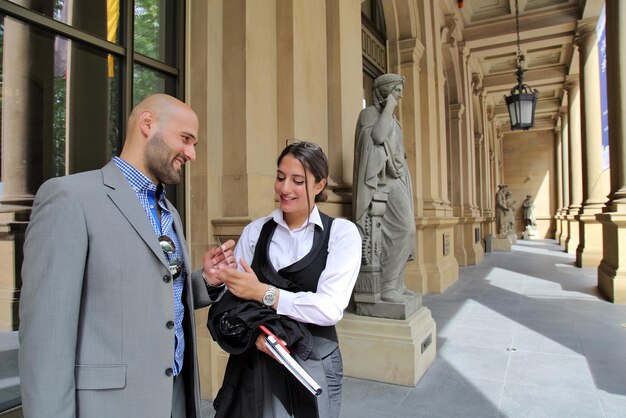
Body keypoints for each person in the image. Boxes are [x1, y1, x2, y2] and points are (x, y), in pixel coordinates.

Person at [19, 93, 236, 418]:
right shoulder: (69, 197)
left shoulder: (170, 212)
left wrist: (205, 281)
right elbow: (46, 340)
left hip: (176, 398)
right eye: (186, 139)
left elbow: (155, 293)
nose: (191, 153)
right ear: (148, 124)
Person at [207, 140, 362, 418]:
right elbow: (234, 303)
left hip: (314, 361)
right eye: (280, 177)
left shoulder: (341, 234)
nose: (285, 188)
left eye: (297, 180)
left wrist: (263, 293)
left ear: (319, 185)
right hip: (255, 363)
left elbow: (330, 308)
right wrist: (221, 280)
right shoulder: (255, 232)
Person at [352, 73, 416, 303]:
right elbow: (377, 137)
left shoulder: (393, 119)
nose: (400, 95)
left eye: (400, 90)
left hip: (399, 179)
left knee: (409, 232)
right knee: (403, 228)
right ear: (385, 91)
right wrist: (388, 107)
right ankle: (387, 286)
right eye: (396, 90)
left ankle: (397, 283)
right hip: (384, 181)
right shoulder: (370, 113)